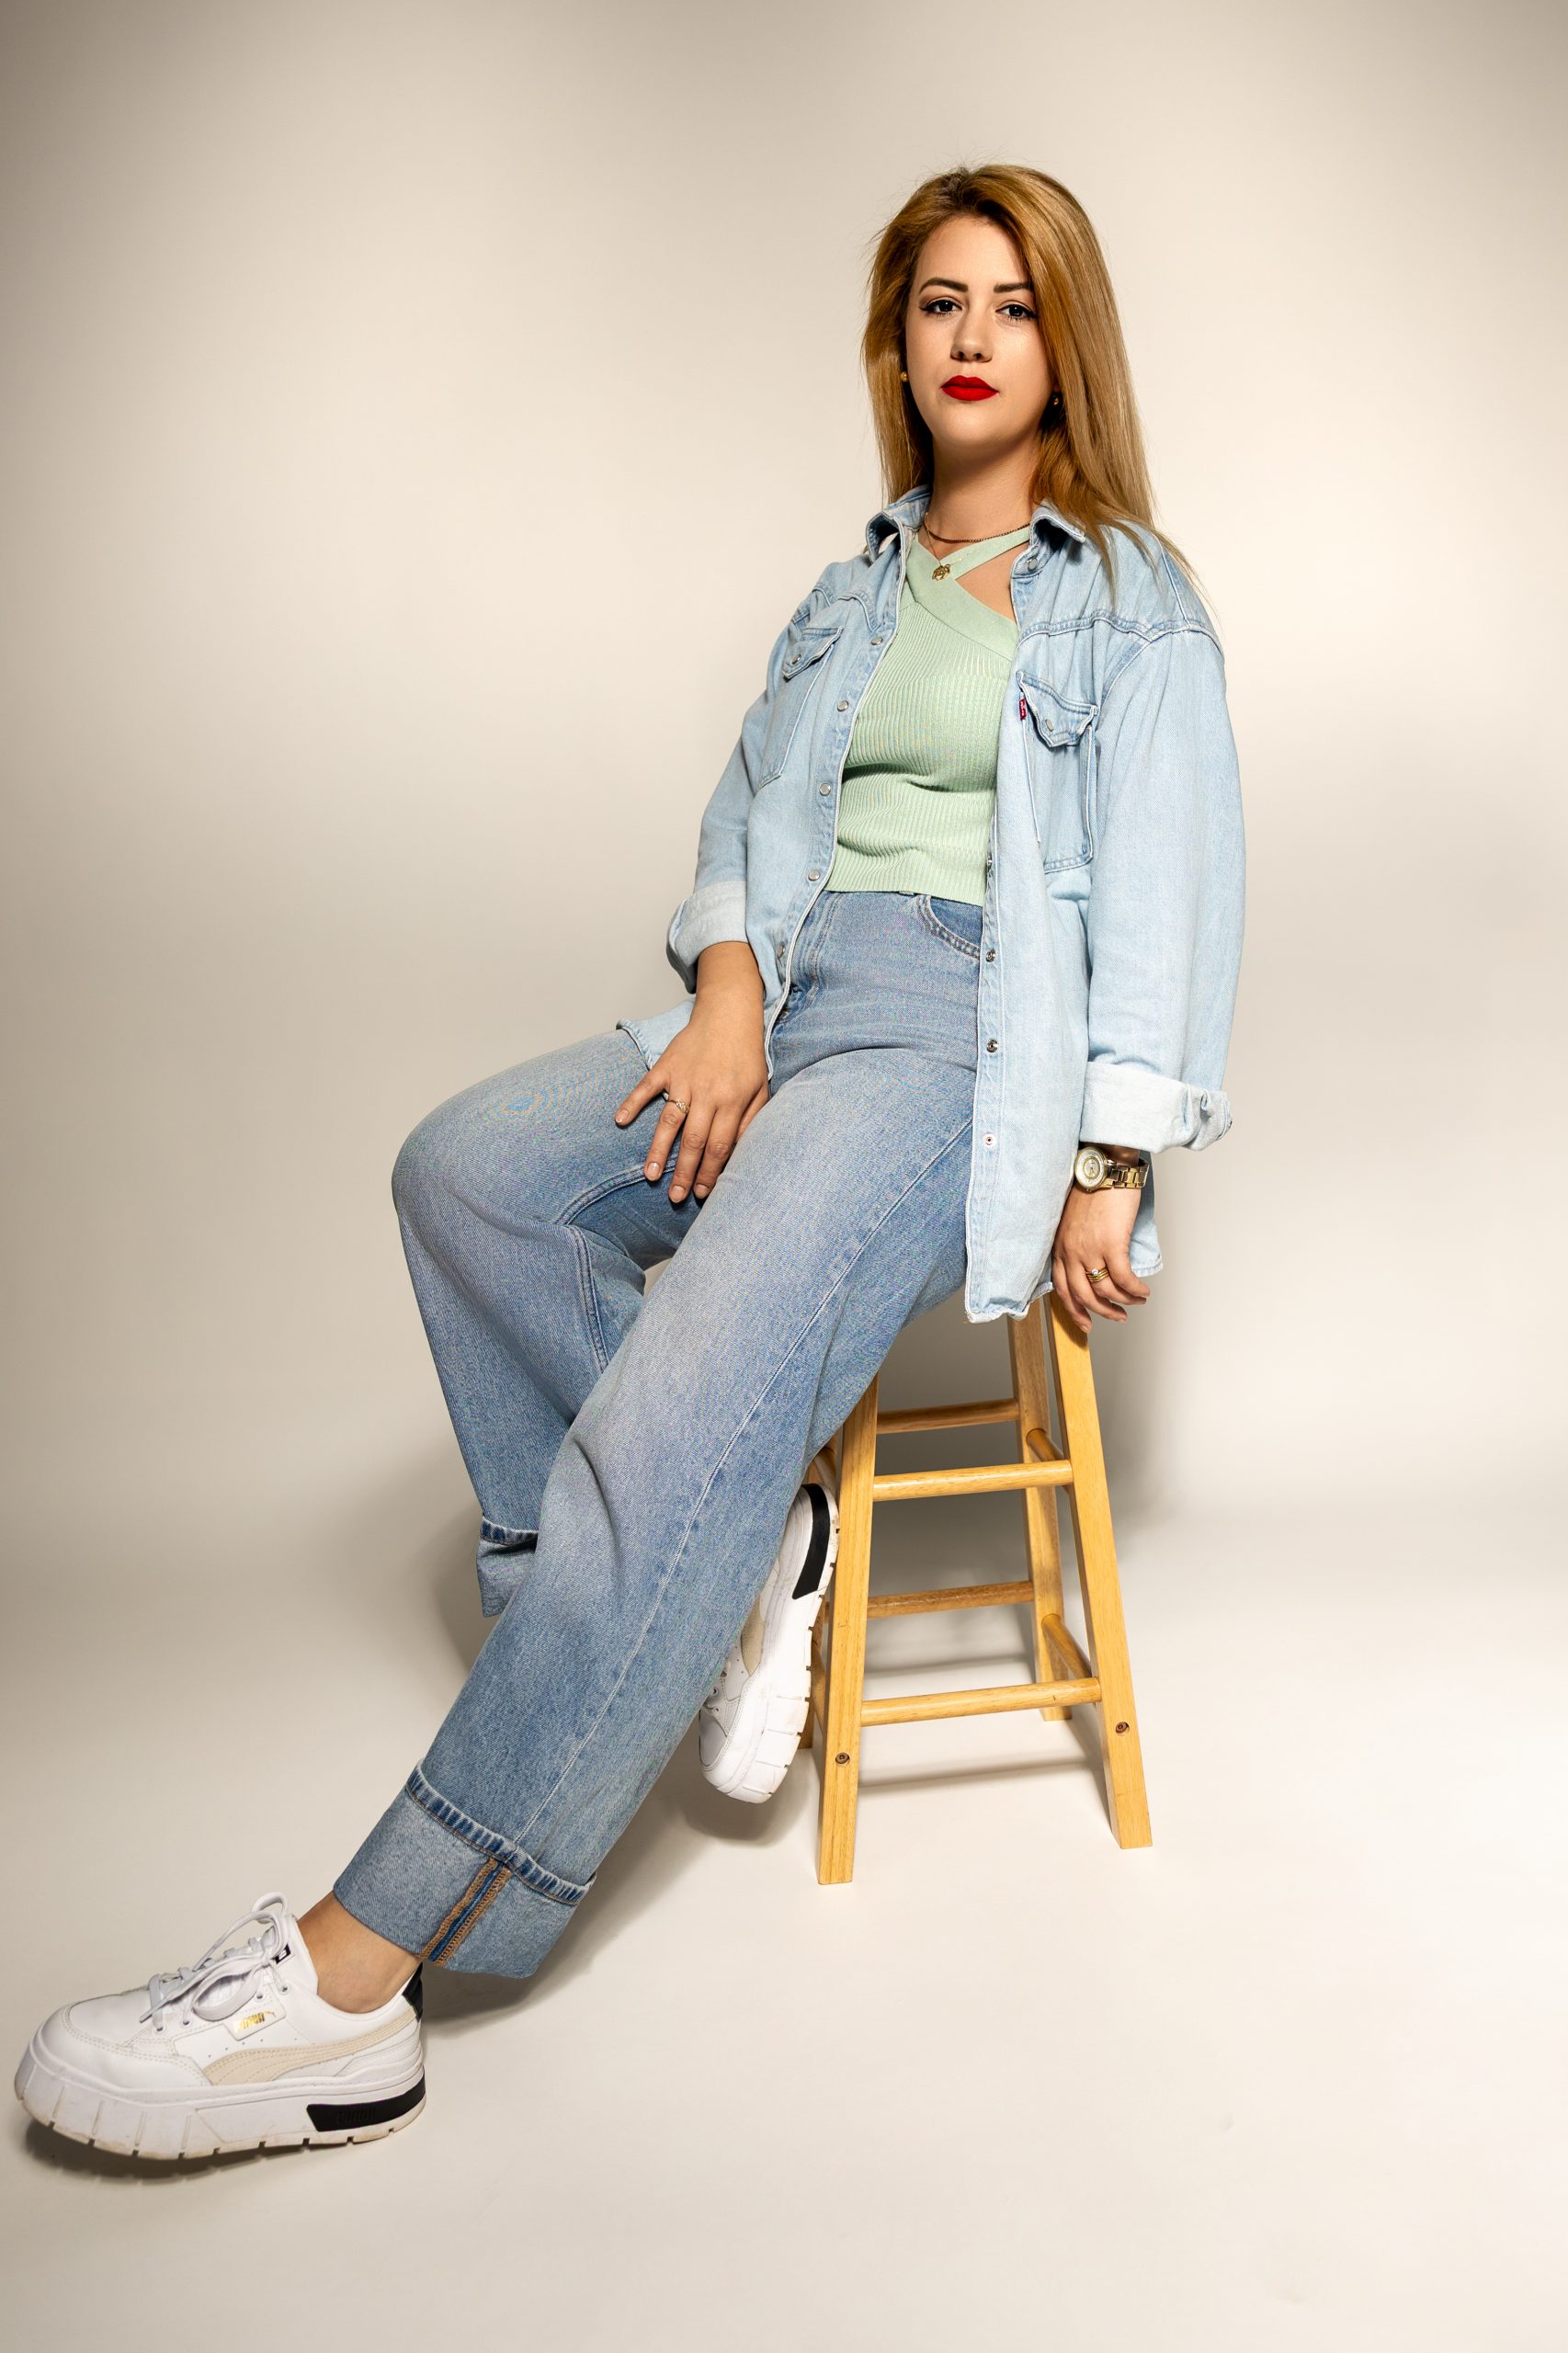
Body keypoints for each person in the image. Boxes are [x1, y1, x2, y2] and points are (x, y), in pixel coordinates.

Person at [15, 161, 1245, 2159]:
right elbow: (747, 808)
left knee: (666, 1426)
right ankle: (727, 1561)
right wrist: (731, 988)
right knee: (468, 1175)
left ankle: (354, 1973)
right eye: (936, 301)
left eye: (1011, 305)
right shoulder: (853, 588)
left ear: (1064, 341)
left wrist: (1112, 1156)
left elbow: (1176, 897)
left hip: (957, 1044)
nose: (968, 338)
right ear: (896, 338)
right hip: (790, 1000)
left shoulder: (1128, 598)